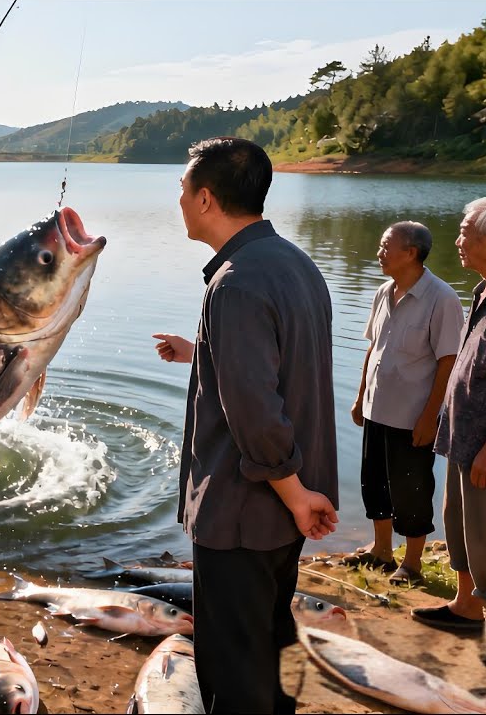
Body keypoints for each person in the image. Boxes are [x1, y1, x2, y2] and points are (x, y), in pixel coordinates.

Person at [152, 137, 338, 714]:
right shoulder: (294, 262)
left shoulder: (233, 283)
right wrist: (201, 351)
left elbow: (256, 414)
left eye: (182, 191)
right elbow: (280, 367)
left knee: (231, 671)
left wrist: (294, 492)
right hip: (284, 513)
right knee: (265, 647)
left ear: (206, 198)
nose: (178, 200)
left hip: (243, 511)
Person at [412, 195, 486, 639]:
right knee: (462, 529)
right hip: (468, 440)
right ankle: (467, 608)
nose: (458, 239)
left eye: (466, 232)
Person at [347, 222, 464, 586]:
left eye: (386, 247)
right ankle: (381, 550)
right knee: (374, 483)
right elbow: (373, 346)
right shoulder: (383, 292)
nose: (379, 253)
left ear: (410, 253)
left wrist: (431, 417)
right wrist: (359, 395)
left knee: (412, 489)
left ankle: (412, 563)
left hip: (414, 415)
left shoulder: (442, 298)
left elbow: (449, 362)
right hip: (376, 407)